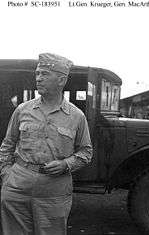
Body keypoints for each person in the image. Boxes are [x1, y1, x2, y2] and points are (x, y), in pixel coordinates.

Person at [0, 53, 93, 235]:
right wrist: (6, 173)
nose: (38, 79)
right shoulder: (23, 110)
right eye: (37, 74)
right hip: (17, 185)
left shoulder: (76, 116)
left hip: (53, 190)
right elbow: (7, 144)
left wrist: (66, 164)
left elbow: (86, 152)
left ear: (61, 80)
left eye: (44, 74)